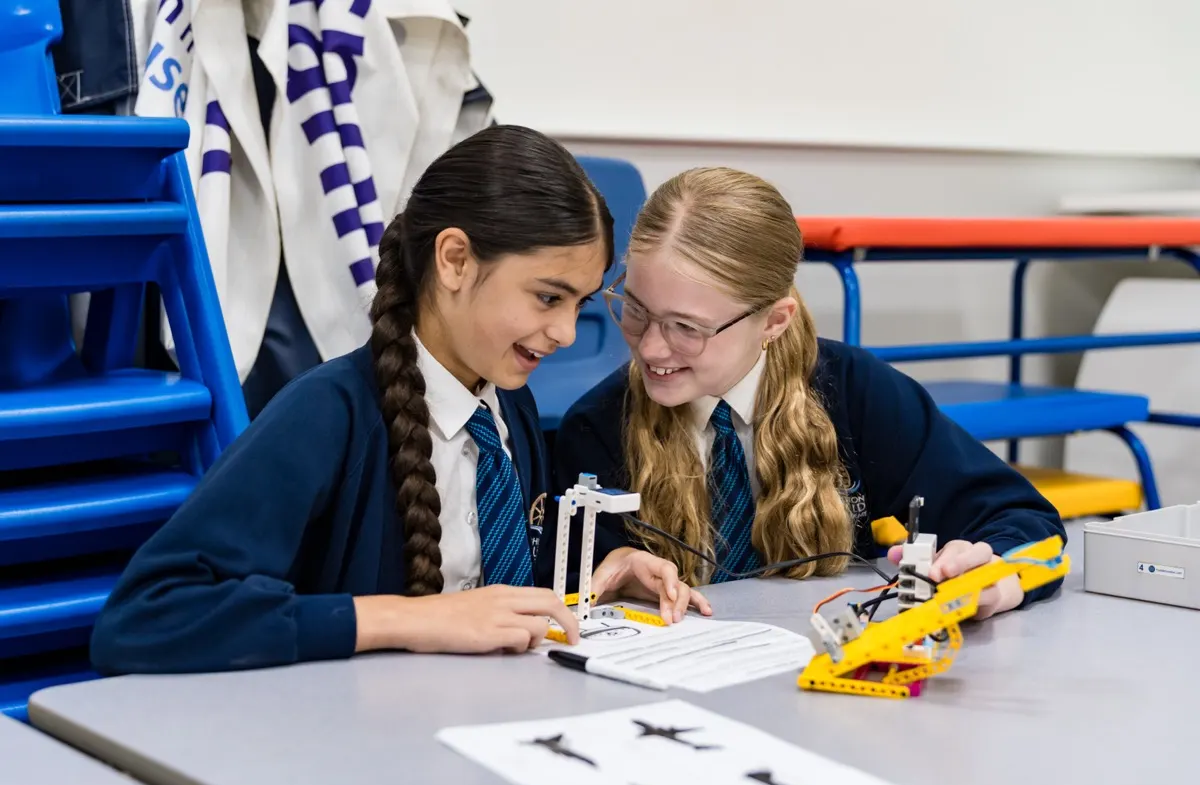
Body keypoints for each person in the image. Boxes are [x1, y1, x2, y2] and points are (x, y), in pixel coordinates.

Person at [89, 125, 694, 675]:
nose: (566, 333)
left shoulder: (511, 409)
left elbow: (492, 588)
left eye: (579, 304)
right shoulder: (327, 415)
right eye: (546, 298)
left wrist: (592, 584)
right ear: (455, 260)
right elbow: (144, 616)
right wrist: (409, 620)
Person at [555, 166, 1066, 620]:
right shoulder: (598, 428)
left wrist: (996, 578)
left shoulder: (851, 391)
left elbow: (1027, 526)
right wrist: (610, 569)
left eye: (686, 327)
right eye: (635, 308)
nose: (649, 347)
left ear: (773, 322)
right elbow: (560, 581)